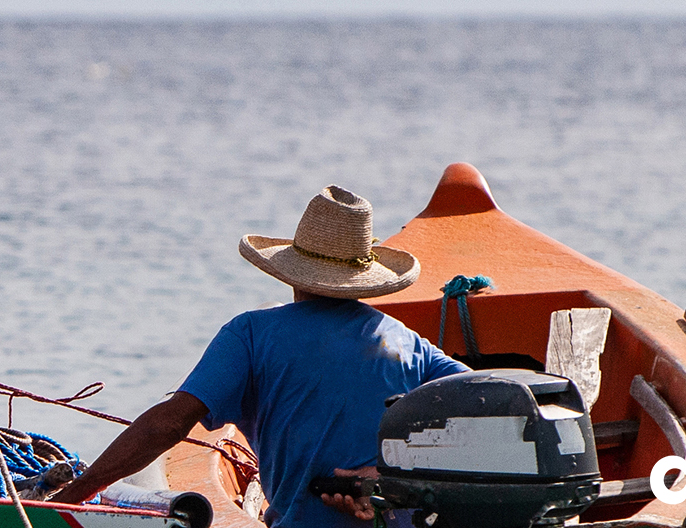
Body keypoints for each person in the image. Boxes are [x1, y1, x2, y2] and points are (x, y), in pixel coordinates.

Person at [49, 186, 469, 527]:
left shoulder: (251, 334)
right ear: (364, 279)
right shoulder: (406, 343)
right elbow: (489, 402)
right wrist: (385, 476)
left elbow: (169, 423)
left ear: (292, 271)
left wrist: (72, 496)